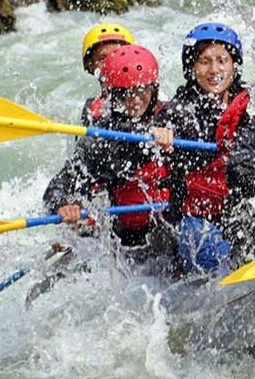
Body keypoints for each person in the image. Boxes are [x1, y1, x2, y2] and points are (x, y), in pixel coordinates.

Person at [150, 22, 255, 276]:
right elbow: (157, 126)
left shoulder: (253, 104)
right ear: (192, 67)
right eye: (204, 61)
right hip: (199, 220)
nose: (214, 70)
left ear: (234, 65)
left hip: (243, 210)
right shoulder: (179, 110)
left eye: (222, 60)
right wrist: (159, 133)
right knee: (205, 248)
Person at [43, 44, 171, 267]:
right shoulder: (100, 139)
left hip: (172, 223)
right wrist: (65, 204)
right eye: (125, 93)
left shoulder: (173, 117)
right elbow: (56, 188)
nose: (135, 100)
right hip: (127, 237)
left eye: (142, 91)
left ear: (154, 90)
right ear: (112, 94)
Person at [78, 23, 134, 125]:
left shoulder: (148, 100)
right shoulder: (92, 109)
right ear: (91, 65)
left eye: (118, 54)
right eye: (103, 58)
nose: (111, 63)